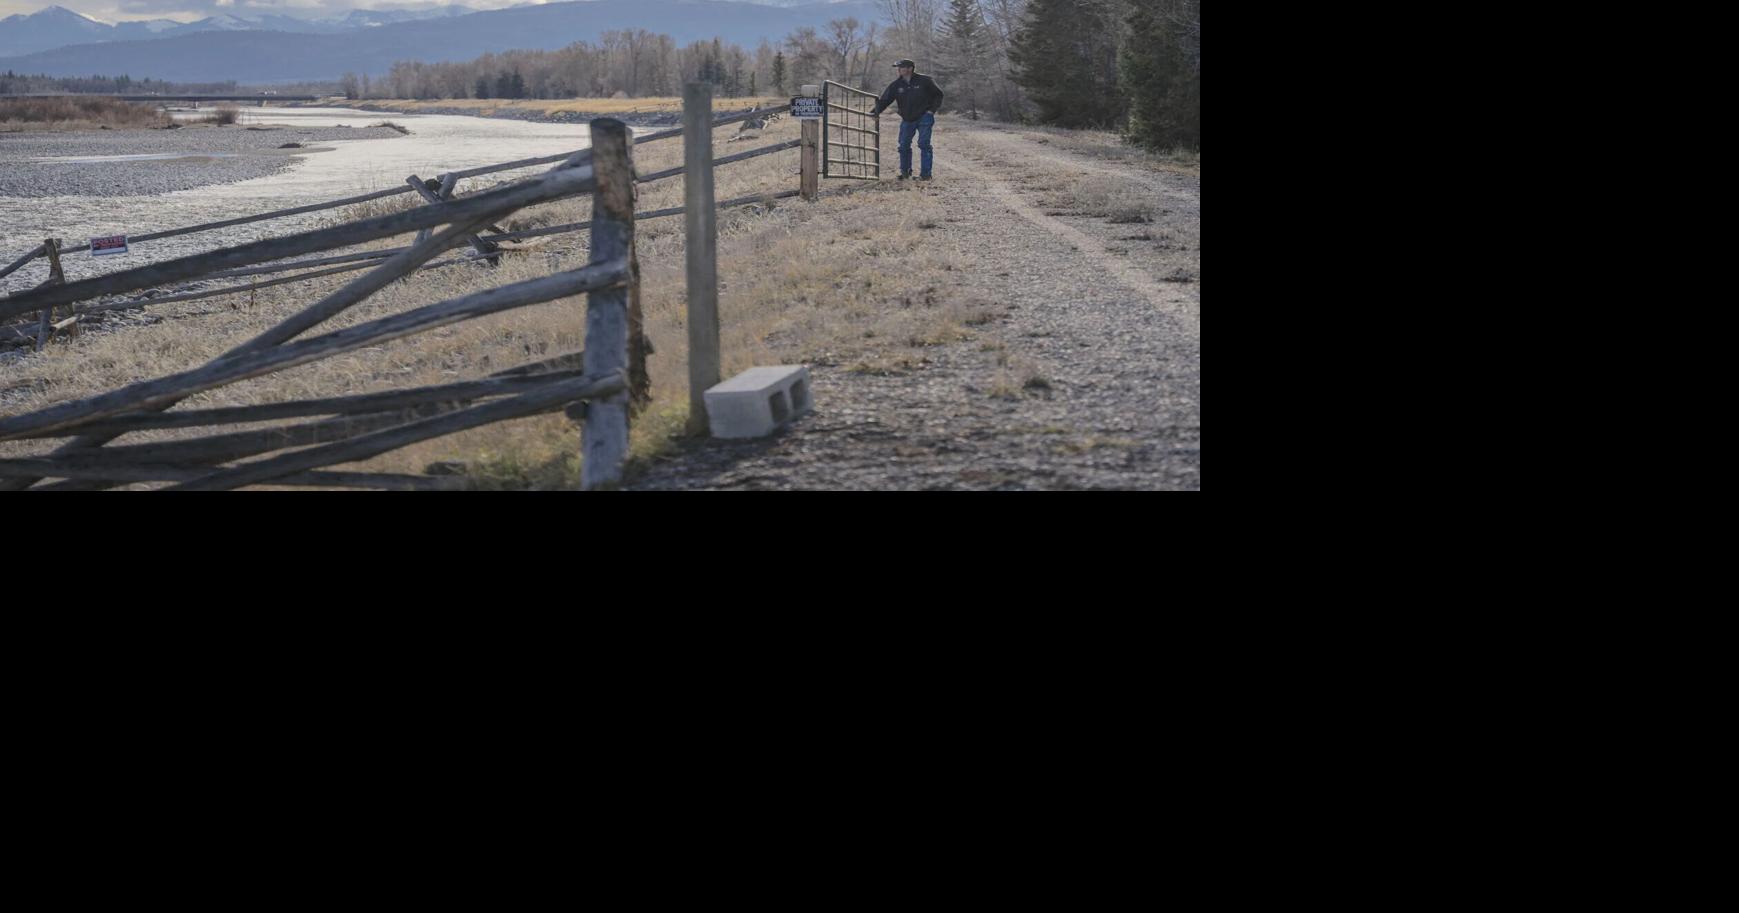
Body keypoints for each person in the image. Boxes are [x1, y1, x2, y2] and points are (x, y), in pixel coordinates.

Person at [869, 59, 944, 181]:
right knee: (903, 145)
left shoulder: (925, 80)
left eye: (901, 67)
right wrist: (875, 111)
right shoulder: (896, 85)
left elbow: (938, 94)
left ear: (910, 68)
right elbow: (885, 100)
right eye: (898, 68)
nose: (898, 70)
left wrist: (931, 110)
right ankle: (905, 173)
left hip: (924, 117)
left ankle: (926, 175)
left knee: (924, 144)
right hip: (907, 119)